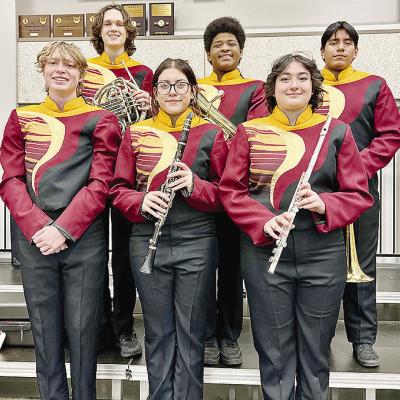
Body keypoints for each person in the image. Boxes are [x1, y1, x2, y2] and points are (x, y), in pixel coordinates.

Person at [220, 53, 373, 400]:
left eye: (302, 78)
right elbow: (231, 191)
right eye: (285, 78)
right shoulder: (250, 131)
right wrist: (264, 219)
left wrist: (324, 203)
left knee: (317, 350)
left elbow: (359, 194)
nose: (294, 84)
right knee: (273, 350)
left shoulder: (335, 131)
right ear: (272, 87)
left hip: (322, 252)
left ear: (314, 86)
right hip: (265, 252)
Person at [0, 41, 121, 400]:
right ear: (42, 70)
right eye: (53, 62)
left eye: (69, 64)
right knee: (45, 332)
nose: (60, 69)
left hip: (84, 239)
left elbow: (102, 183)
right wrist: (41, 228)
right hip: (35, 239)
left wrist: (63, 229)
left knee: (83, 333)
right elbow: (10, 180)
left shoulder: (101, 119)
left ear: (81, 74)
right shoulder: (21, 118)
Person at [110, 58, 228, 399]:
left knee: (191, 332)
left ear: (192, 91)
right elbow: (117, 189)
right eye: (165, 85)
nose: (172, 91)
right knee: (158, 332)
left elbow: (226, 194)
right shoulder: (135, 133)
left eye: (180, 85)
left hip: (197, 241)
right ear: (155, 92)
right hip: (146, 240)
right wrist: (140, 202)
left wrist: (194, 185)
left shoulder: (211, 133)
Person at [320, 21, 400, 367]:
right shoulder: (307, 85)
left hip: (361, 190)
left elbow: (389, 136)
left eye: (347, 42)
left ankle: (363, 339)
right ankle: (318, 338)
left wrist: (353, 169)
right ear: (322, 49)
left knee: (362, 267)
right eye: (333, 42)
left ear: (356, 49)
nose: (340, 47)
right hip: (318, 192)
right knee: (320, 267)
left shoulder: (374, 85)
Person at [83, 3, 153, 358]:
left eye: (119, 23)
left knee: (124, 256)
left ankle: (124, 327)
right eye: (107, 23)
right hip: (93, 171)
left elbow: (153, 126)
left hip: (129, 175)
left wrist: (149, 104)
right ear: (100, 31)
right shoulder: (85, 72)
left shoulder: (143, 73)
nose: (113, 28)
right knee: (93, 255)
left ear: (128, 31)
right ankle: (98, 327)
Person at [198, 16, 267, 367]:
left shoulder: (255, 88)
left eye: (231, 44)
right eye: (217, 45)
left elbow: (255, 132)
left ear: (241, 51)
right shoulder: (194, 87)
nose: (225, 49)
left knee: (230, 266)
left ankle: (229, 336)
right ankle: (206, 335)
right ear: (208, 54)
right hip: (199, 188)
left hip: (237, 189)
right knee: (201, 266)